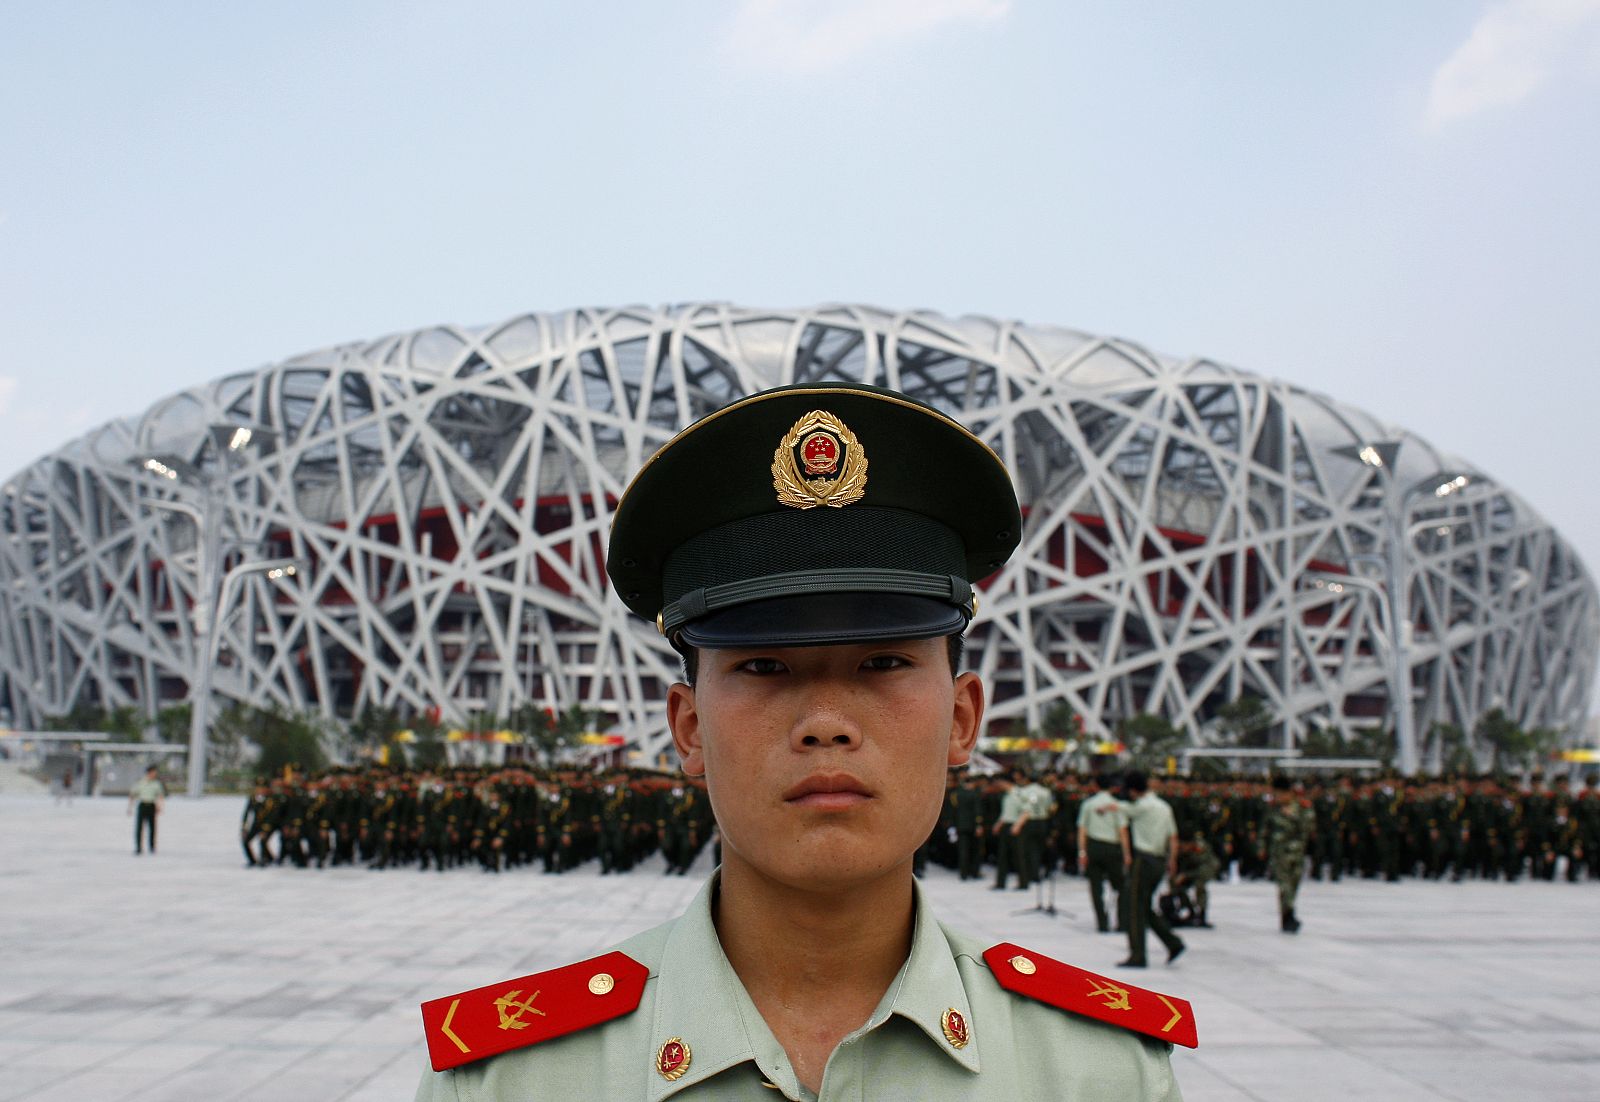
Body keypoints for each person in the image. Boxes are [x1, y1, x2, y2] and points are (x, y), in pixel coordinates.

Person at [413, 382, 1193, 1100]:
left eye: (884, 661)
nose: (825, 721)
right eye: (764, 665)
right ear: (688, 727)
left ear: (963, 719)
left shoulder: (1101, 1074)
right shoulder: (510, 1083)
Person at [1118, 770, 1185, 969]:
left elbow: (1119, 809)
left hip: (1143, 860)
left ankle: (1138, 954)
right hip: (1159, 860)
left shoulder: (1141, 806)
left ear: (1132, 791)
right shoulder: (1164, 807)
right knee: (1144, 906)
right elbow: (1173, 837)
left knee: (1134, 907)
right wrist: (1172, 860)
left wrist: (1106, 806)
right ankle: (1173, 942)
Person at [1076, 771, 1126, 933]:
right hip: (1112, 848)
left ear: (1095, 786)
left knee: (1096, 887)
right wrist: (1127, 854)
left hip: (1094, 847)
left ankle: (1102, 922)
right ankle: (1122, 921)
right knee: (1121, 886)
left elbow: (1082, 830)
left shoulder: (1088, 804)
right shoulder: (1116, 805)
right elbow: (1122, 831)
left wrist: (1082, 852)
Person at [1266, 775, 1313, 932]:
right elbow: (1265, 828)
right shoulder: (1273, 807)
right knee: (1284, 885)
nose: (1278, 797)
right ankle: (1289, 916)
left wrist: (1292, 815)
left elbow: (1308, 827)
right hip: (1279, 853)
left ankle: (1287, 914)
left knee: (1293, 885)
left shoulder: (1302, 807)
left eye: (1280, 794)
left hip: (1297, 853)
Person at [128, 764, 166, 855]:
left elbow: (160, 796)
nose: (155, 774)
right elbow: (133, 794)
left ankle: (152, 847)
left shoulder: (156, 784)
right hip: (142, 805)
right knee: (139, 827)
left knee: (152, 827)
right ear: (149, 773)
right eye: (153, 772)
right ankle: (138, 847)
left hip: (151, 805)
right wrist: (130, 807)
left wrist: (159, 806)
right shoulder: (140, 782)